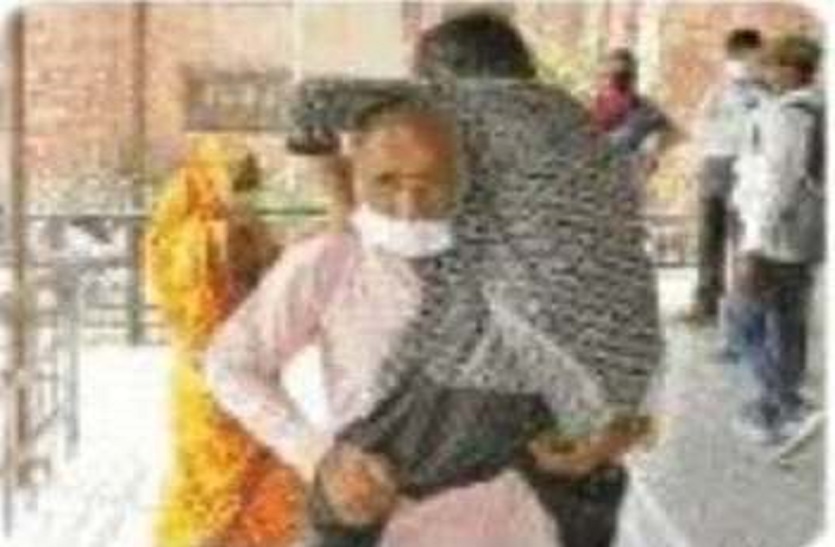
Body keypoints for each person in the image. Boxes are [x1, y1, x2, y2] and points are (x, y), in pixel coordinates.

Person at [278, 10, 661, 547]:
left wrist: (343, 214)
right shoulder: (577, 121)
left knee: (348, 496)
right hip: (619, 374)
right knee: (575, 500)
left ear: (440, 72)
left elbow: (308, 101)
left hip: (501, 368)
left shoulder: (450, 103)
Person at [206, 99, 569, 547]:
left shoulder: (514, 263)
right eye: (387, 181)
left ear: (463, 177)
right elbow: (230, 363)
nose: (409, 205)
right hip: (381, 522)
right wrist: (316, 455)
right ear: (356, 175)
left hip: (508, 522)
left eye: (431, 183)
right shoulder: (330, 261)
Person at [145, 136, 305, 547]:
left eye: (250, 183)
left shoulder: (197, 230)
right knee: (223, 477)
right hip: (216, 372)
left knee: (238, 471)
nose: (247, 194)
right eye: (239, 182)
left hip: (220, 369)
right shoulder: (211, 234)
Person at [724, 34, 824, 454]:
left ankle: (788, 406)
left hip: (776, 237)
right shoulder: (817, 107)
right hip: (803, 235)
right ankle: (780, 407)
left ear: (789, 69)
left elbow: (778, 182)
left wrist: (753, 244)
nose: (763, 72)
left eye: (770, 65)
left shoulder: (787, 115)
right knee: (788, 323)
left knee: (743, 323)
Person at [683, 28, 769, 324]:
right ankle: (705, 303)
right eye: (735, 56)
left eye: (748, 55)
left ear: (759, 56)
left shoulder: (767, 94)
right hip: (713, 165)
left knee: (742, 240)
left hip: (748, 169)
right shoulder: (717, 90)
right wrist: (697, 164)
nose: (742, 62)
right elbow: (700, 127)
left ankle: (743, 309)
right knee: (709, 238)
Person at [590, 47, 676, 180]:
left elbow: (668, 131)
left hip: (630, 164)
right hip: (610, 159)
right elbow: (596, 132)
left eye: (625, 75)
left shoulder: (643, 106)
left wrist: (651, 150)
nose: (620, 79)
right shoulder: (602, 100)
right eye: (616, 75)